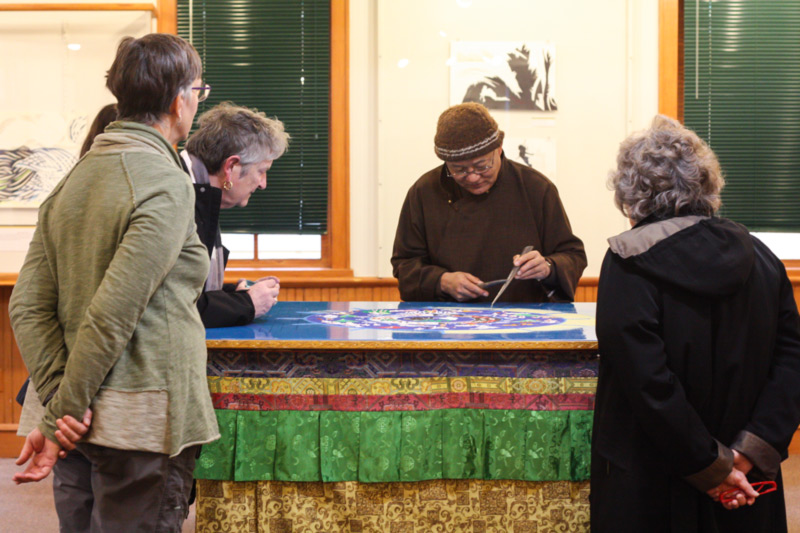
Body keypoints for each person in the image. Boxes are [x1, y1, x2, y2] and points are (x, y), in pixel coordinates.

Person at [9, 33, 219, 532]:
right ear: (178, 99)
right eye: (199, 90)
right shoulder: (163, 180)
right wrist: (65, 414)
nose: (197, 100)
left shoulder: (75, 177)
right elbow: (113, 311)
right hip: (139, 418)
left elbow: (26, 305)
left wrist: (59, 411)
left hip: (74, 412)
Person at [591, 115, 800, 532]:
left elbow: (648, 383)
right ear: (706, 183)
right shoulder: (761, 256)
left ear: (630, 194)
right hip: (749, 482)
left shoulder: (627, 264)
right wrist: (746, 454)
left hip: (655, 480)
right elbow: (792, 361)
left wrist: (713, 468)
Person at [391, 102, 586, 303]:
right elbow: (404, 265)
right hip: (449, 326)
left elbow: (573, 255)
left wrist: (547, 266)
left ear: (499, 148)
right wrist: (442, 281)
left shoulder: (536, 188)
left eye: (482, 166)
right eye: (459, 170)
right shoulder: (424, 192)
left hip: (525, 323)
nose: (473, 177)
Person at [181, 102, 289, 328]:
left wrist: (234, 295)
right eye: (262, 171)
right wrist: (246, 304)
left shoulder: (201, 192)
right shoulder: (179, 196)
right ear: (231, 167)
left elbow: (191, 289)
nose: (263, 185)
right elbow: (177, 308)